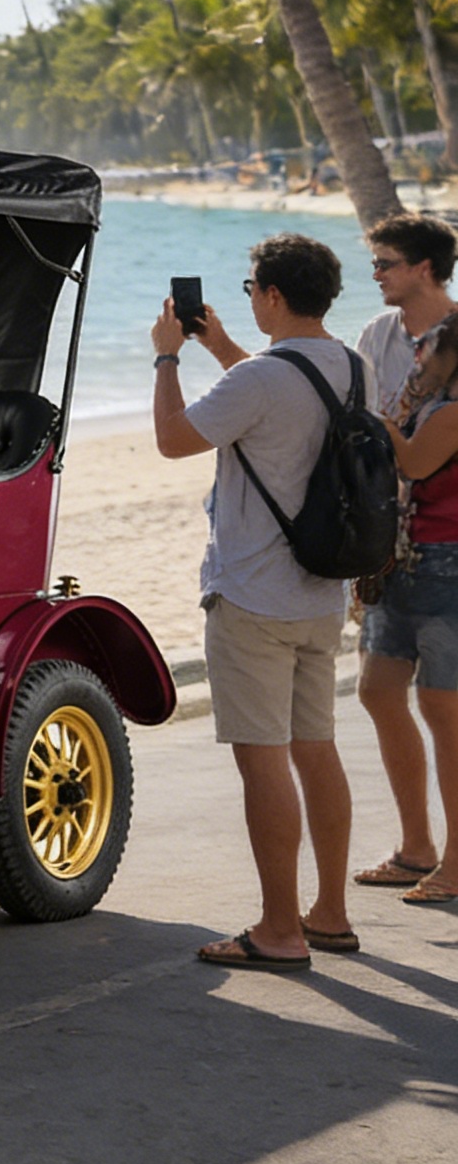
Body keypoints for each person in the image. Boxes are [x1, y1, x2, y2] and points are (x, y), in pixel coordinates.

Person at [152, 233, 360, 968]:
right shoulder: (349, 365)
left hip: (253, 595)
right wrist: (223, 347)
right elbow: (280, 399)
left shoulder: (262, 379)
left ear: (272, 294)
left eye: (250, 289)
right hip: (321, 591)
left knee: (263, 760)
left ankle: (279, 928)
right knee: (317, 749)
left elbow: (175, 439)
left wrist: (167, 356)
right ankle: (329, 912)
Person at [359, 312, 458, 904]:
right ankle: (417, 846)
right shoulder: (433, 404)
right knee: (377, 689)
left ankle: (452, 862)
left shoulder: (452, 413)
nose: (416, 355)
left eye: (427, 348)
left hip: (447, 566)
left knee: (444, 714)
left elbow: (415, 463)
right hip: (408, 559)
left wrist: (376, 417)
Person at [356, 213, 456, 412]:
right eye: (375, 266)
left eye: (384, 265)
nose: (376, 276)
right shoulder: (377, 332)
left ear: (423, 269)